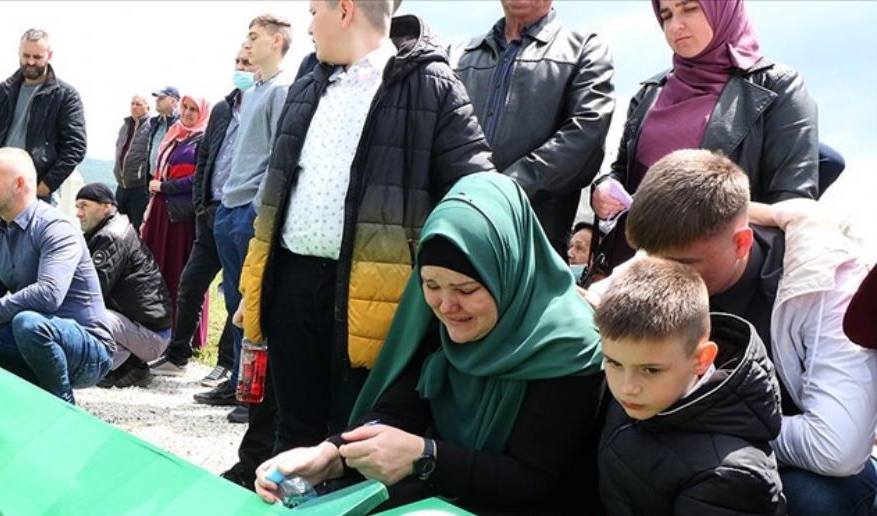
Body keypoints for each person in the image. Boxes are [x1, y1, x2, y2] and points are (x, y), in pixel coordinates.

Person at [486, 257, 802, 516]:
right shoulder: (644, 396)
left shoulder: (731, 470)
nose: (626, 386)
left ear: (702, 358)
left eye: (650, 369)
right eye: (613, 363)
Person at [255, 173, 604, 516]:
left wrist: (426, 457)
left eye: (466, 289)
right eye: (431, 284)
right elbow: (400, 408)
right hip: (454, 498)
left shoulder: (567, 347)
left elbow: (535, 481)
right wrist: (330, 455)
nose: (446, 305)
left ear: (507, 272)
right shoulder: (441, 319)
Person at [625, 149, 877, 516]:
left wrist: (712, 423)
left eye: (684, 265)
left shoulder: (824, 284)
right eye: (651, 262)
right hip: (732, 438)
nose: (666, 279)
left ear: (742, 244)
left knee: (814, 501)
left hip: (843, 469)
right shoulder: (671, 251)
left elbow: (839, 448)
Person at [237, 0, 494, 452]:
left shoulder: (430, 84)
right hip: (292, 281)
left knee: (353, 434)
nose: (310, 26)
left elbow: (476, 189)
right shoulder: (307, 83)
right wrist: (254, 284)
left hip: (372, 292)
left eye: (315, 11)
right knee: (293, 427)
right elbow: (275, 191)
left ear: (345, 10)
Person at [591, 0, 818, 225]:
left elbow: (791, 201)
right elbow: (621, 170)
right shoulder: (649, 93)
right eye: (667, 15)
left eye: (689, 9)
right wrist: (603, 189)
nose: (675, 26)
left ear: (723, 9)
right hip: (631, 255)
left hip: (721, 257)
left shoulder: (777, 87)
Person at [0, 148, 114, 404]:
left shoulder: (56, 229)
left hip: (89, 349)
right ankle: (28, 395)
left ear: (19, 184)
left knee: (28, 323)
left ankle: (62, 408)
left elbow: (48, 294)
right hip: (35, 336)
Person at [453, 0, 614, 256]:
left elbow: (586, 134)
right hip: (454, 236)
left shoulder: (584, 49)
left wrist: (505, 192)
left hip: (534, 247)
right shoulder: (458, 54)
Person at [200, 14, 296, 413]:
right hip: (229, 208)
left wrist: (260, 210)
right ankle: (241, 383)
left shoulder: (282, 91)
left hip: (251, 213)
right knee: (236, 299)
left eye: (254, 37)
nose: (247, 44)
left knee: (253, 303)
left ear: (276, 42)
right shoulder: (253, 92)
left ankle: (255, 396)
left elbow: (279, 154)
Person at [151, 51, 255, 390]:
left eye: (247, 63)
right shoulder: (225, 110)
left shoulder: (266, 104)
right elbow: (207, 159)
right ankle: (177, 354)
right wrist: (199, 205)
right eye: (237, 62)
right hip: (210, 214)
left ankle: (227, 365)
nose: (240, 68)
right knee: (191, 282)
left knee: (236, 294)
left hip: (242, 213)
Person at [0, 28, 87, 230]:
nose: (31, 62)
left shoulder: (66, 96)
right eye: (26, 56)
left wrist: (46, 185)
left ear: (49, 55)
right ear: (19, 53)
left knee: (31, 257)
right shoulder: (3, 90)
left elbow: (76, 146)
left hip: (37, 195)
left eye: (37, 57)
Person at [76, 183, 172, 388]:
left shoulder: (111, 237)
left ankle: (133, 366)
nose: (78, 213)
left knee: (82, 311)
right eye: (77, 207)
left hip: (151, 337)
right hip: (138, 327)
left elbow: (93, 293)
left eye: (84, 206)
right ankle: (115, 362)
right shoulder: (107, 231)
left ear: (106, 207)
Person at [140, 95, 210, 361]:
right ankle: (159, 327)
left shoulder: (203, 138)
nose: (189, 113)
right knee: (159, 270)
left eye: (194, 109)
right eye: (186, 107)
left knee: (181, 274)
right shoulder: (176, 134)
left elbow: (199, 178)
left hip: (182, 218)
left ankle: (185, 336)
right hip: (161, 211)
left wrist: (166, 187)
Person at [120, 87, 181, 227]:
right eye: (157, 98)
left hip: (168, 185)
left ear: (173, 101)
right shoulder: (156, 123)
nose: (157, 101)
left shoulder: (179, 124)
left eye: (161, 98)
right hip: (152, 182)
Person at [113, 95, 153, 229]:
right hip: (121, 186)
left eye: (139, 104)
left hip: (139, 188)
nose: (134, 107)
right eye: (132, 104)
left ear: (148, 107)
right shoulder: (125, 126)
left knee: (137, 229)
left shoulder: (151, 127)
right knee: (118, 228)